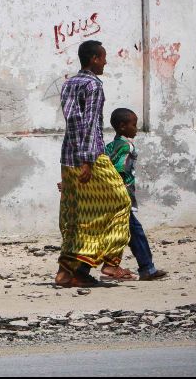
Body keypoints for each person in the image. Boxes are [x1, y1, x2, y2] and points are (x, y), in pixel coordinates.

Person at [56, 40, 133, 288]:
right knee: (121, 202)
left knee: (78, 214)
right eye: (103, 57)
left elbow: (73, 122)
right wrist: (87, 161)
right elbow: (88, 124)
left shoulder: (69, 83)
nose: (106, 62)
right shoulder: (93, 85)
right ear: (94, 59)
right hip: (90, 156)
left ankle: (67, 272)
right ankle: (110, 262)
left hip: (68, 156)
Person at [105, 108, 168, 281]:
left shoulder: (110, 145)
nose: (136, 128)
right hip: (122, 196)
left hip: (110, 196)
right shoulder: (126, 146)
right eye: (134, 124)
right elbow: (118, 168)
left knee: (124, 232)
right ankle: (146, 268)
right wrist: (122, 188)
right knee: (135, 231)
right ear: (122, 126)